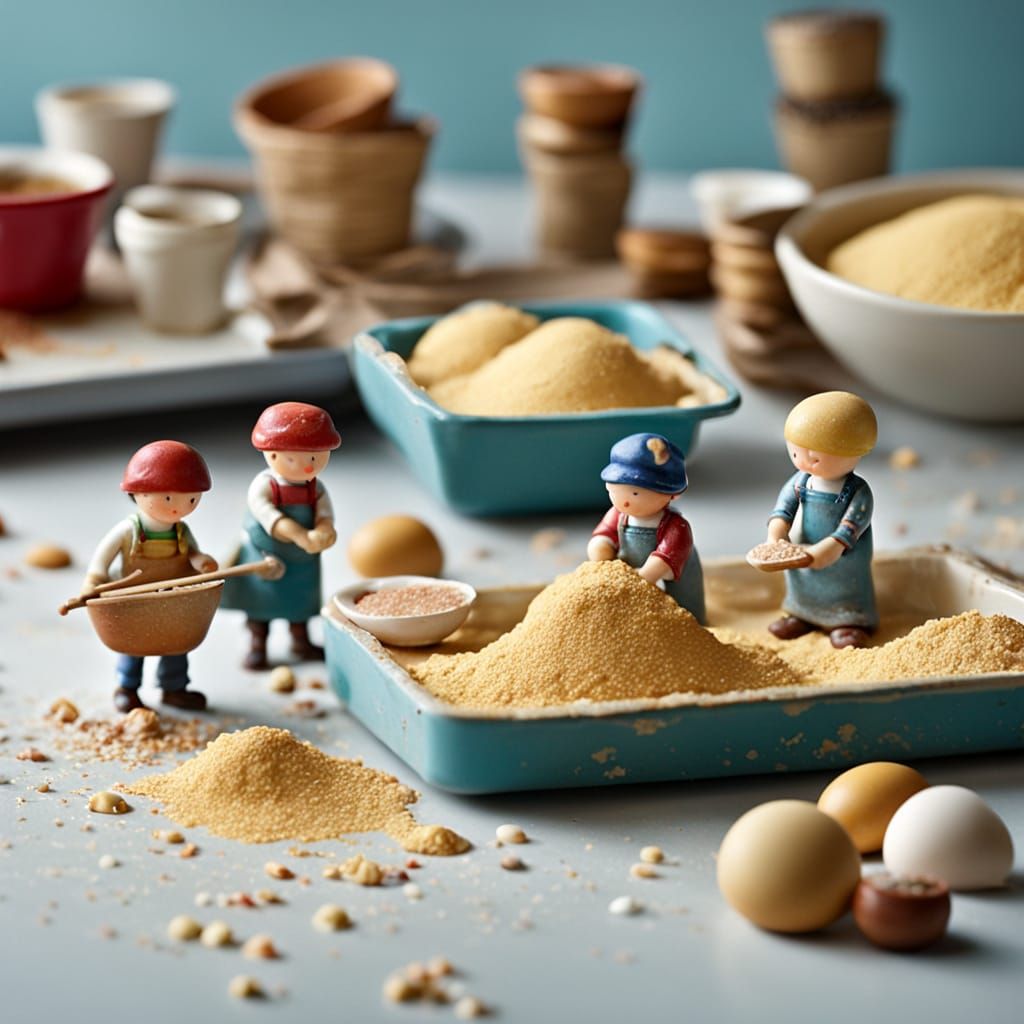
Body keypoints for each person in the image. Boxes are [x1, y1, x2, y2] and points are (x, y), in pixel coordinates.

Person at [84, 440, 217, 712]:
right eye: (168, 498)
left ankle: (174, 688)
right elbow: (102, 558)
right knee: (134, 646)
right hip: (135, 601)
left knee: (176, 646)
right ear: (137, 493)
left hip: (174, 602)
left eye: (191, 499)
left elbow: (192, 553)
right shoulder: (128, 531)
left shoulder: (181, 531)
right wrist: (95, 579)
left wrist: (200, 561)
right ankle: (127, 688)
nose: (177, 507)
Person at [222, 402, 340, 669]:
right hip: (266, 554)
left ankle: (301, 641)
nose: (309, 466)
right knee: (260, 603)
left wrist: (324, 531)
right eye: (297, 457)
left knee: (299, 602)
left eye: (315, 456)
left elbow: (324, 514)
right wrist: (301, 536)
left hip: (301, 560)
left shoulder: (316, 488)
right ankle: (258, 645)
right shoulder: (264, 486)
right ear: (272, 455)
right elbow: (270, 518)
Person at [764, 390, 878, 649]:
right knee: (803, 583)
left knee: (844, 587)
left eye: (814, 457)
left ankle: (848, 621)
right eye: (795, 454)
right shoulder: (800, 481)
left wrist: (829, 549)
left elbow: (851, 527)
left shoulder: (858, 492)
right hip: (802, 551)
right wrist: (776, 536)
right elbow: (783, 511)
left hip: (842, 557)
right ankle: (802, 614)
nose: (804, 463)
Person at [587, 432, 705, 623]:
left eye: (635, 493)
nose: (623, 502)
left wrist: (643, 577)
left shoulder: (676, 526)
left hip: (674, 577)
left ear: (672, 494)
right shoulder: (618, 515)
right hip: (629, 579)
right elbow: (604, 534)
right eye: (613, 491)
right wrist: (601, 550)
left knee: (685, 610)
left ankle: (692, 627)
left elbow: (666, 558)